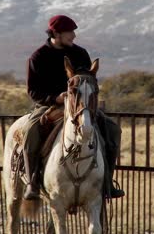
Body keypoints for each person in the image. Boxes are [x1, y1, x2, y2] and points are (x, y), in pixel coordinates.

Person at [23, 14, 125, 200]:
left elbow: (89, 82)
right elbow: (33, 91)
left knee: (112, 129)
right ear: (56, 33)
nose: (74, 36)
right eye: (70, 32)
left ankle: (107, 182)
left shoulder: (80, 54)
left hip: (80, 107)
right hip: (49, 106)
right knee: (30, 132)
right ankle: (32, 183)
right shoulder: (38, 57)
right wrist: (56, 98)